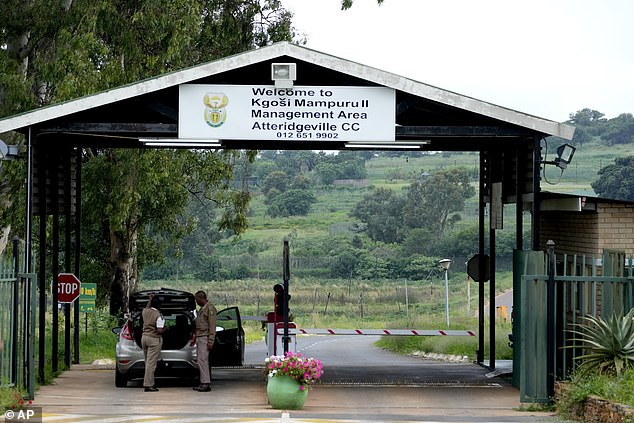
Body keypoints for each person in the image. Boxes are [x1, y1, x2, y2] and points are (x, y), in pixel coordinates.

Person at [191, 290, 217, 392]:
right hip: (200, 337)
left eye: (197, 299)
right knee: (200, 361)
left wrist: (211, 341)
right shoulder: (202, 309)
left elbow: (212, 326)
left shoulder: (209, 309)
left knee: (203, 361)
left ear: (201, 298)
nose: (196, 302)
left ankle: (205, 383)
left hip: (204, 338)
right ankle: (203, 381)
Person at [141, 294, 165, 392]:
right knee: (151, 364)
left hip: (144, 338)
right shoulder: (158, 315)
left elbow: (147, 306)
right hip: (154, 339)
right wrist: (166, 329)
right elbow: (159, 331)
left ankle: (151, 382)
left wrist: (149, 299)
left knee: (147, 362)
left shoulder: (145, 311)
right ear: (159, 306)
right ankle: (148, 385)